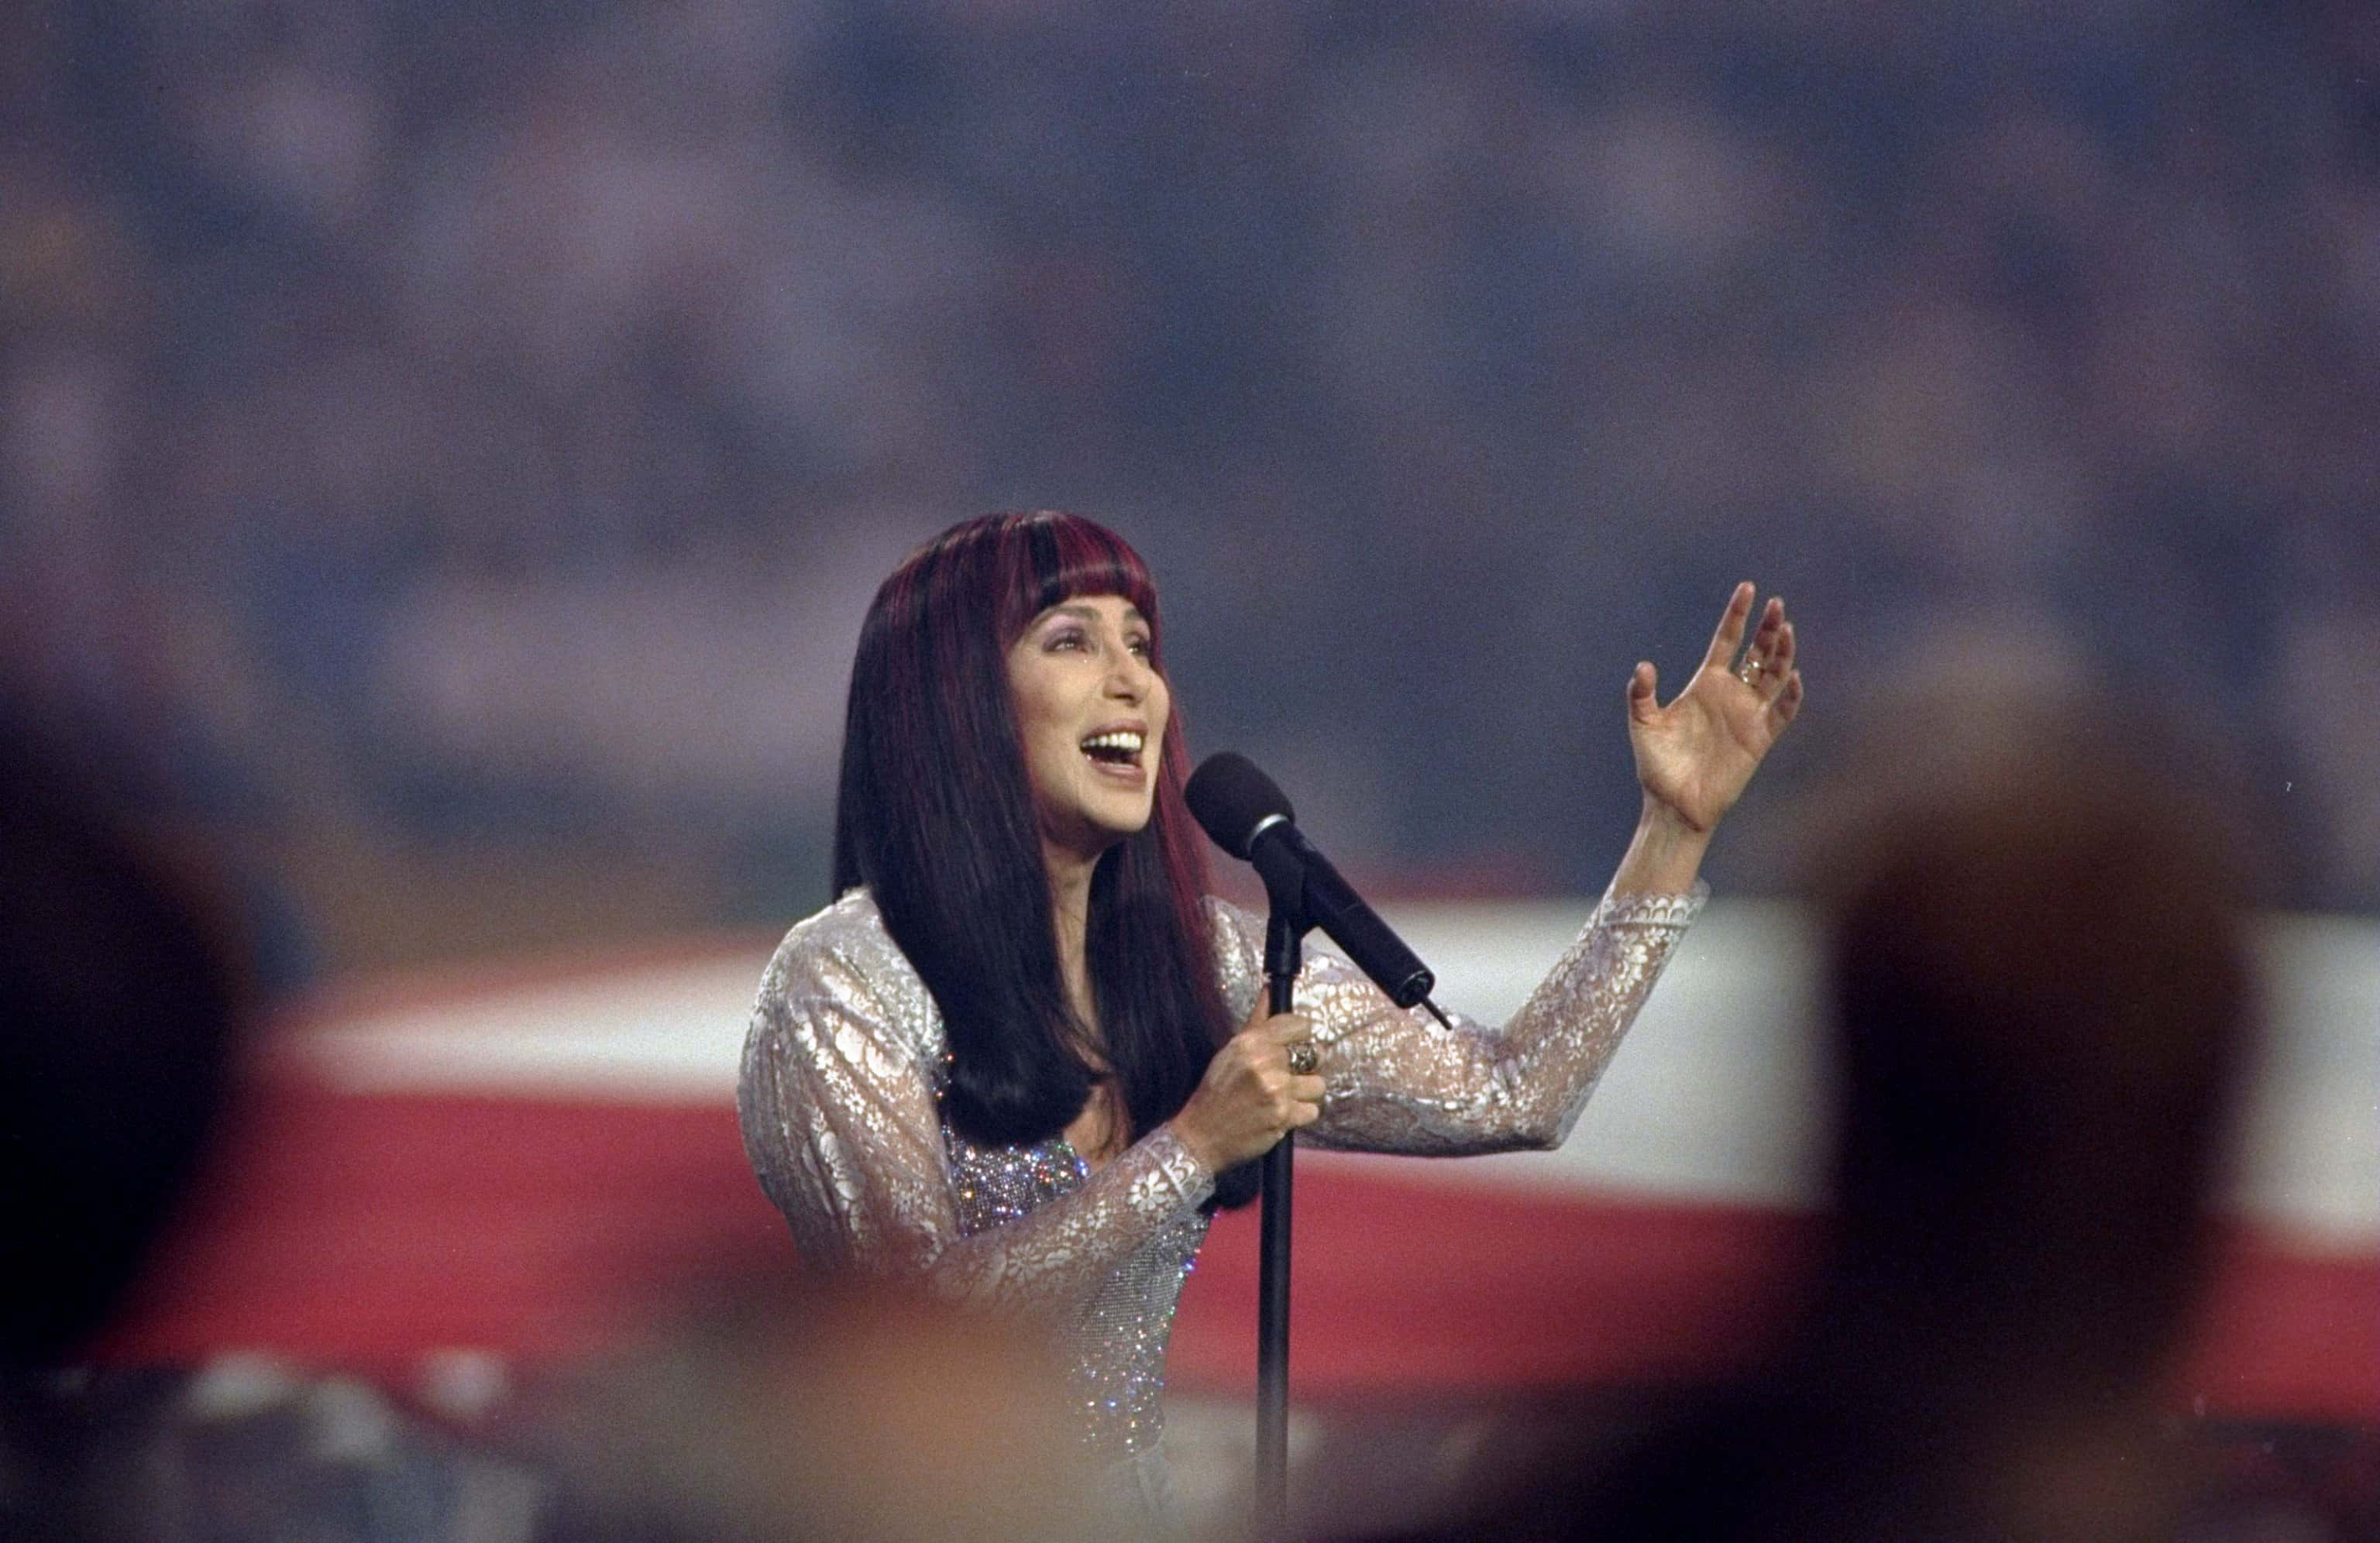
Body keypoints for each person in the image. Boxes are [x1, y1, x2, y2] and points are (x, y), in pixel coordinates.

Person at [736, 510, 1802, 1524]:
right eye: (1072, 641)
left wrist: (1672, 830)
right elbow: (907, 1335)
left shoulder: (1203, 958)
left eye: (1142, 644)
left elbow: (1514, 1092)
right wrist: (1190, 1148)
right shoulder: (846, 980)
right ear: (957, 701)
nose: (1132, 683)